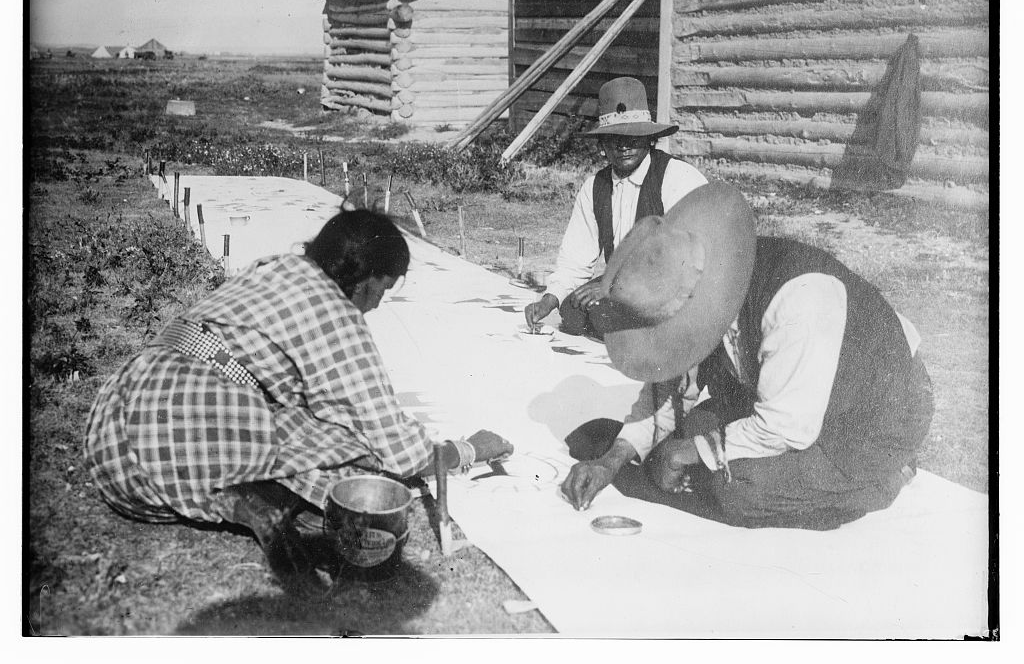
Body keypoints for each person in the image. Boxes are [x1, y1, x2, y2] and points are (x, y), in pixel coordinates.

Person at [85, 209, 513, 577]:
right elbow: (397, 448)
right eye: (382, 289)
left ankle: (240, 498)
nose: (378, 304)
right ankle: (265, 498)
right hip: (193, 419)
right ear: (364, 281)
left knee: (303, 415)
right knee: (358, 451)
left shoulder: (275, 268)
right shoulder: (335, 316)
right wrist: (469, 449)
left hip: (117, 446)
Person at [560, 183, 932, 530]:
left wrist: (685, 454)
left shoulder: (799, 299)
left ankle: (882, 478)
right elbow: (668, 392)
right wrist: (612, 460)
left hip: (872, 415)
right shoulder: (697, 287)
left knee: (740, 490)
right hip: (802, 394)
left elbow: (785, 427)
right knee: (691, 430)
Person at [524, 77, 707, 337]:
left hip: (675, 287)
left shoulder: (676, 177)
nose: (623, 146)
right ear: (602, 145)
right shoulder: (595, 187)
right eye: (614, 138)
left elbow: (692, 256)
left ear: (650, 138)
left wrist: (615, 286)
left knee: (606, 314)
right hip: (623, 291)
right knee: (573, 310)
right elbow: (575, 259)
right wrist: (548, 300)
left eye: (633, 137)